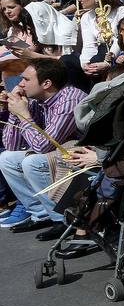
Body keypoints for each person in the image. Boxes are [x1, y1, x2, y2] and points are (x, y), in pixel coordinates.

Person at [0, 60, 88, 233]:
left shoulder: (68, 99)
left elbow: (43, 146)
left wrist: (23, 114)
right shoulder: (36, 99)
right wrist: (14, 112)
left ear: (46, 83)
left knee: (31, 162)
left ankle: (62, 218)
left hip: (80, 153)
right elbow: (11, 145)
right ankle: (41, 214)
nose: (20, 84)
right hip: (58, 151)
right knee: (6, 158)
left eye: (26, 79)